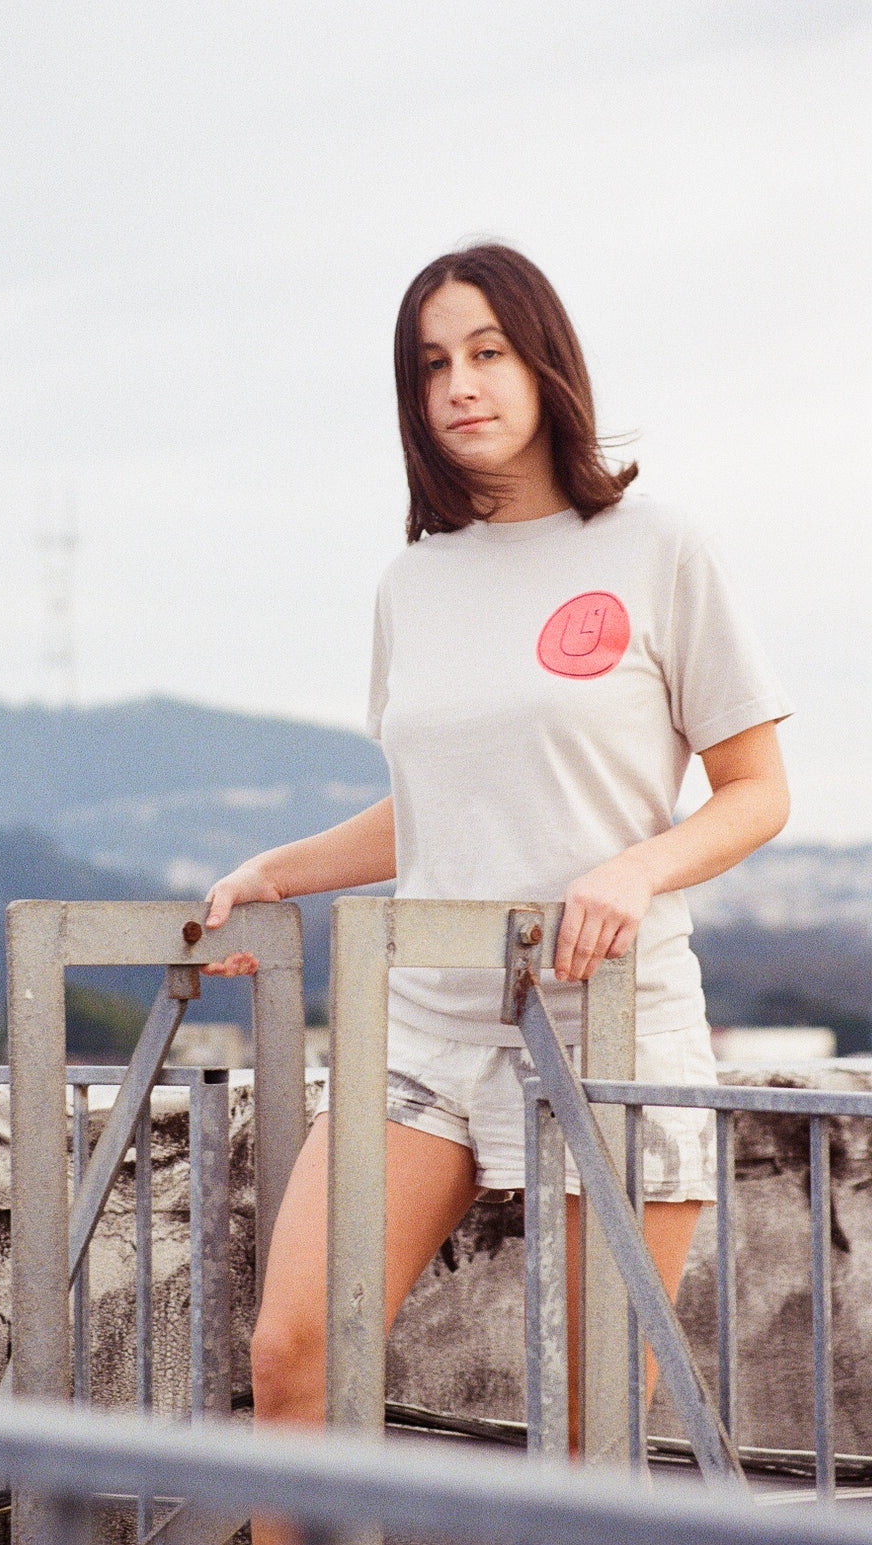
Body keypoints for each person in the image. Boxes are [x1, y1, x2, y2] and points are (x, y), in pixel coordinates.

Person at [203, 244, 790, 1501]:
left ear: (543, 362)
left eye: (485, 352)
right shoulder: (412, 584)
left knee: (588, 1445)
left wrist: (636, 868)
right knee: (291, 1360)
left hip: (607, 1021)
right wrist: (279, 870)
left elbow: (756, 793)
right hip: (421, 1024)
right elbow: (431, 809)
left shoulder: (657, 547)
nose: (459, 385)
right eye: (430, 365)